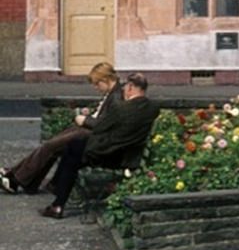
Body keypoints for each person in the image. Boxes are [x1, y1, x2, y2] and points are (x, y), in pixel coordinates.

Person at [41, 72, 160, 219]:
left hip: (109, 155)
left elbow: (99, 127)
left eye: (125, 87)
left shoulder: (120, 108)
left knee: (72, 151)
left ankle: (58, 203)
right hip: (129, 155)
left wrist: (84, 120)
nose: (123, 90)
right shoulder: (153, 108)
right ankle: (56, 188)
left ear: (130, 87)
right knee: (74, 147)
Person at [0, 62, 122, 195]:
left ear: (105, 79)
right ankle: (20, 178)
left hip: (93, 135)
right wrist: (89, 113)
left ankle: (15, 178)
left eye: (97, 84)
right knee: (51, 145)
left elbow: (105, 124)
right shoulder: (113, 93)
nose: (96, 88)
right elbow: (103, 115)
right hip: (88, 131)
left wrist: (85, 120)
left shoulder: (116, 97)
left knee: (51, 146)